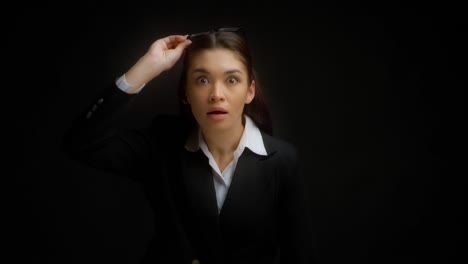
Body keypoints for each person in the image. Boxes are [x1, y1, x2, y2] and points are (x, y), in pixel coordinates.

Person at [63, 27, 316, 264]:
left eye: (231, 80)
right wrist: (148, 66)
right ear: (186, 92)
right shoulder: (162, 146)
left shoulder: (282, 159)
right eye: (202, 80)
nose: (216, 94)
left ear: (249, 91)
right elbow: (81, 143)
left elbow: (299, 255)